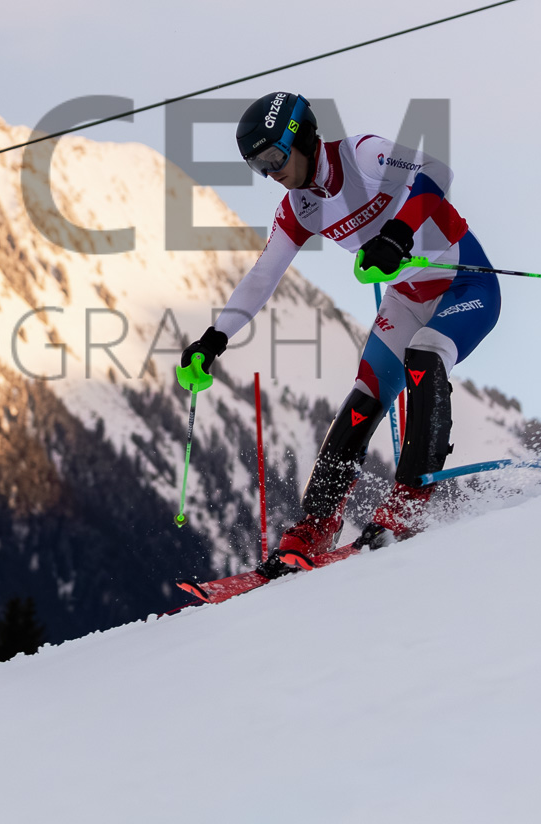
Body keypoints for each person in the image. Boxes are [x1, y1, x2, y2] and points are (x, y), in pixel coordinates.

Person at [180, 91, 500, 573]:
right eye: (258, 166)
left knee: (424, 354)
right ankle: (316, 524)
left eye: (274, 157)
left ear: (304, 137)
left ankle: (409, 501)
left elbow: (437, 171)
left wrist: (397, 234)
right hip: (406, 297)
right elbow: (263, 276)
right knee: (365, 395)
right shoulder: (298, 208)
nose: (271, 172)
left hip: (465, 284)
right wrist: (214, 339)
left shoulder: (363, 155)